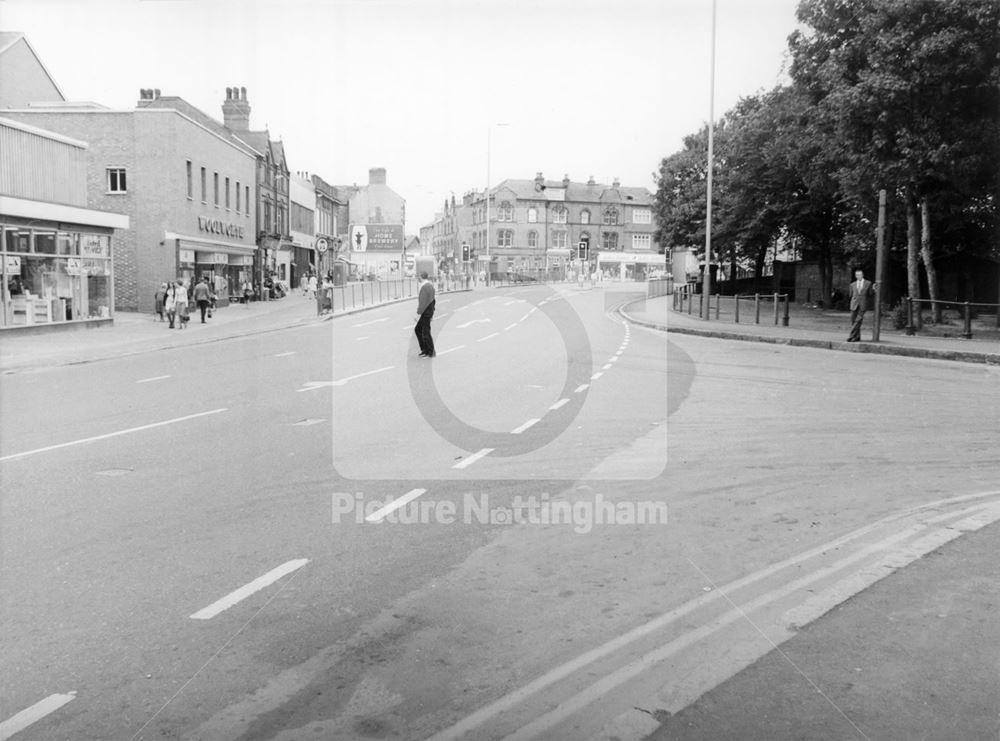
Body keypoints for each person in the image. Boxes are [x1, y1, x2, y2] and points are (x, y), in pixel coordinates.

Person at [847, 269, 877, 342]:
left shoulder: (868, 283)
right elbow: (851, 295)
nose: (858, 276)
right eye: (857, 275)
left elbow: (870, 294)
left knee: (858, 320)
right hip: (854, 304)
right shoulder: (852, 284)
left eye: (860, 275)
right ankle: (857, 337)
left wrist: (874, 289)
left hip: (863, 304)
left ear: (862, 275)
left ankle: (851, 335)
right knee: (854, 321)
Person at [414, 271, 436, 357]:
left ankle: (429, 351)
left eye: (419, 277)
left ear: (421, 277)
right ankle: (425, 349)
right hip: (428, 312)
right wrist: (432, 312)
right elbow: (433, 301)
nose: (418, 278)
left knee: (425, 332)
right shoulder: (430, 286)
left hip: (425, 313)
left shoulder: (424, 287)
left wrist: (418, 314)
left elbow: (422, 302)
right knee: (419, 330)